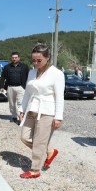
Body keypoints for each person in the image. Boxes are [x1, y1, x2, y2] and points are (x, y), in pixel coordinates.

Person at [18, 44, 64, 179]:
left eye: (39, 60)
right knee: (24, 137)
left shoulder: (57, 73)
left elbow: (59, 97)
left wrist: (58, 117)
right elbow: (27, 92)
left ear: (47, 58)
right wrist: (22, 108)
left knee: (39, 141)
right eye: (33, 60)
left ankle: (35, 169)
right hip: (32, 109)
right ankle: (49, 151)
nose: (36, 63)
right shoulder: (32, 72)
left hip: (47, 111)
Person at [0, 51, 30, 124]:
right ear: (11, 58)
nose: (14, 59)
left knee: (21, 103)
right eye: (13, 58)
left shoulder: (24, 67)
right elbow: (3, 77)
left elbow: (29, 77)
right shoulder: (7, 67)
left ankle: (21, 118)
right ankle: (14, 117)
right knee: (12, 103)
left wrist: (28, 87)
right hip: (10, 87)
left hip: (21, 87)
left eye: (16, 57)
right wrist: (2, 86)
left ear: (19, 58)